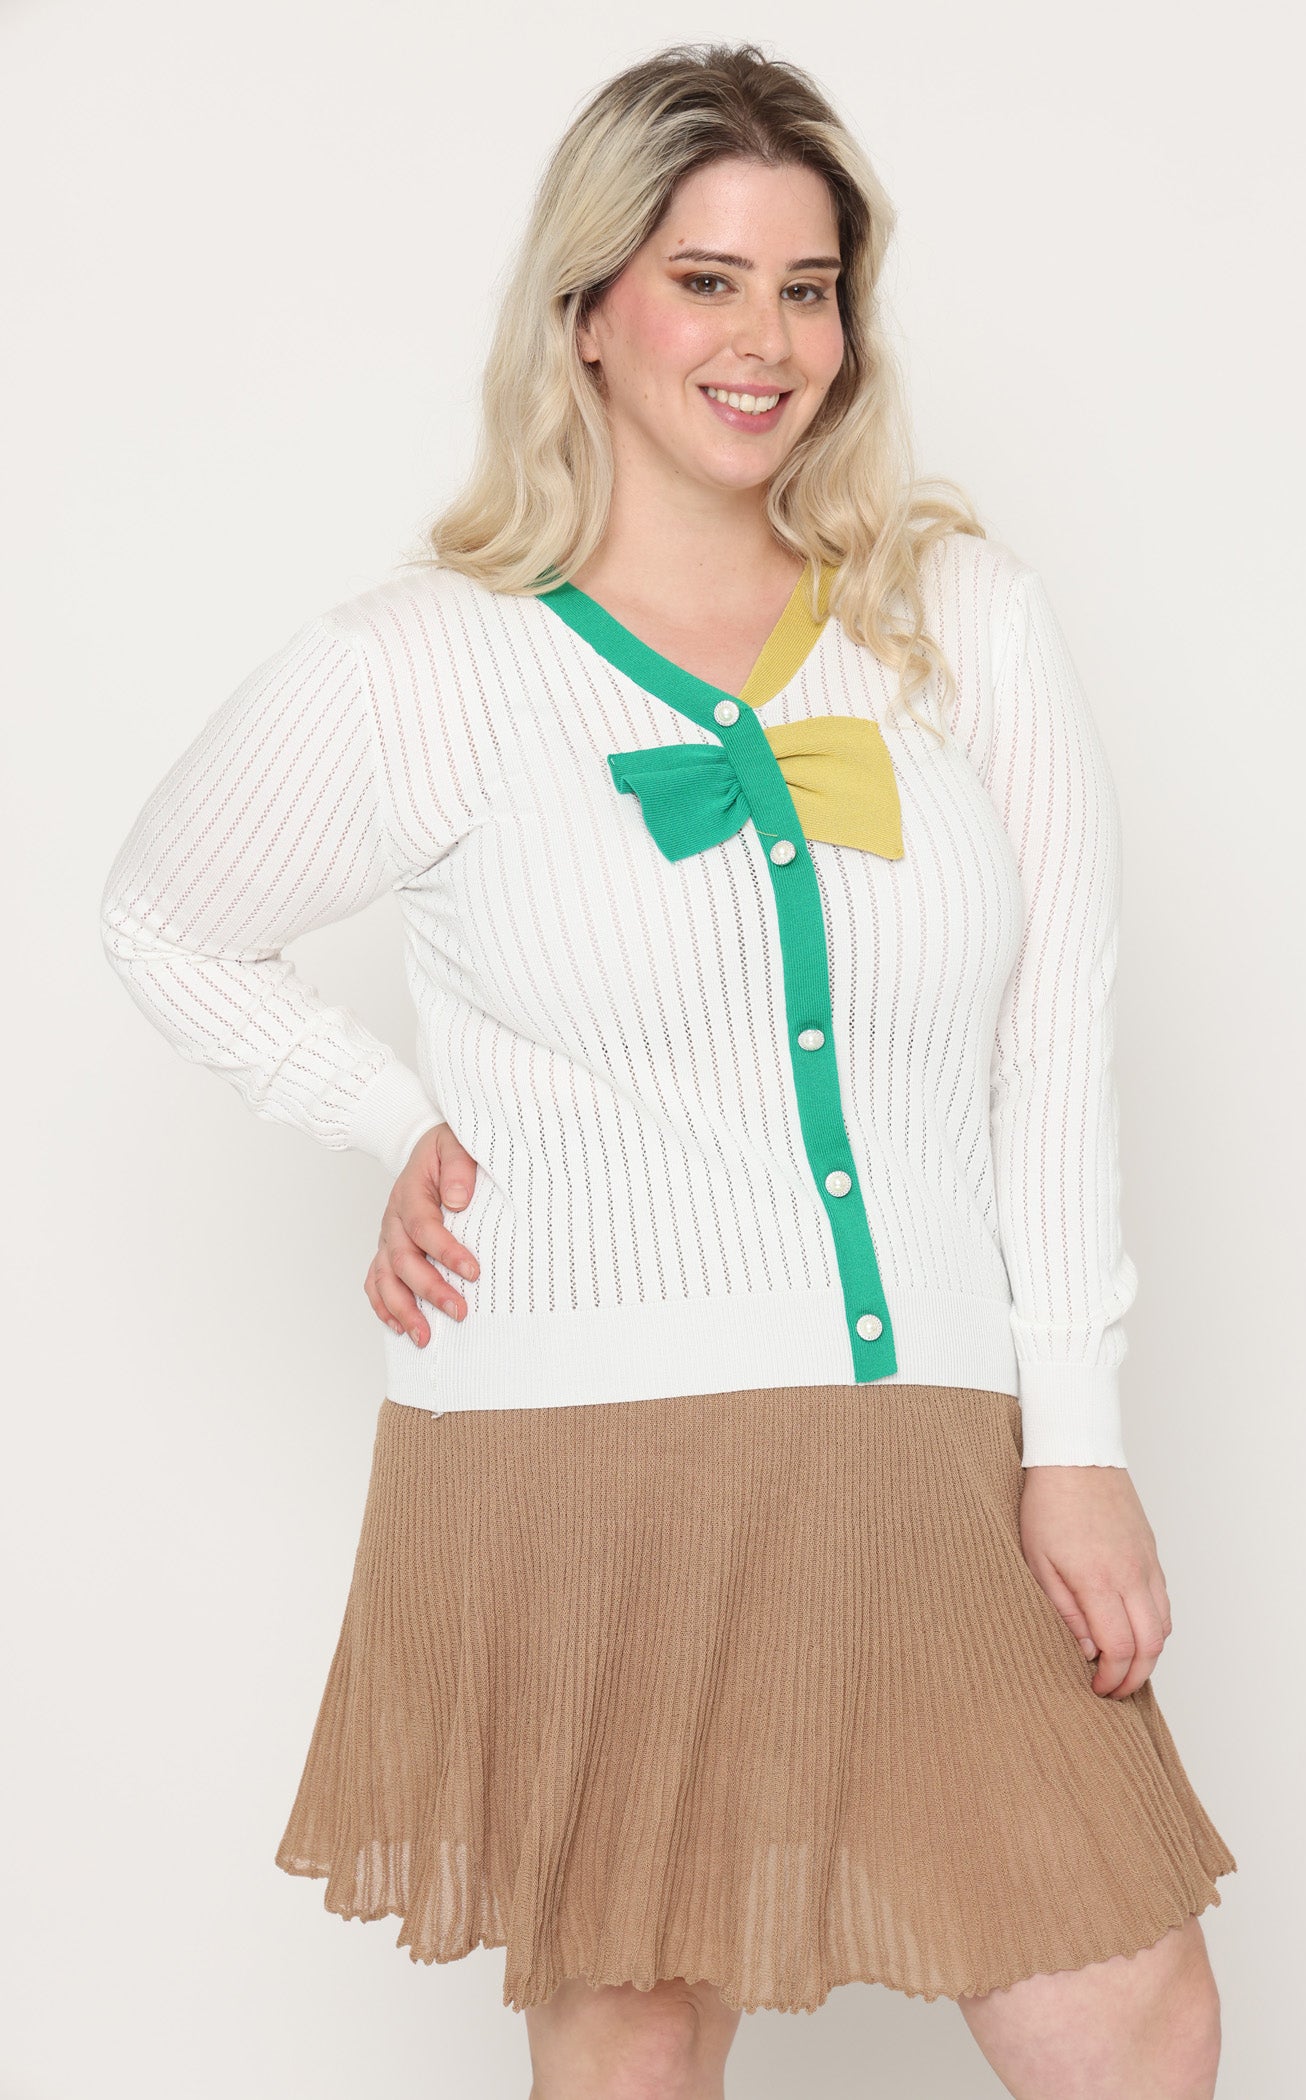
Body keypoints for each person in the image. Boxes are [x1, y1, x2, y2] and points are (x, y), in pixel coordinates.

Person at [98, 39, 1236, 2100]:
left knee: (1124, 1997)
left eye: (808, 289)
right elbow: (162, 916)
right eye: (706, 281)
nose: (764, 341)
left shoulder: (958, 624)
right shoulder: (425, 662)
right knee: (633, 2019)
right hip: (576, 1445)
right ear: (589, 312)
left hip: (925, 1433)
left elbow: (1053, 1034)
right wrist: (388, 1119)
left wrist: (1072, 1432)